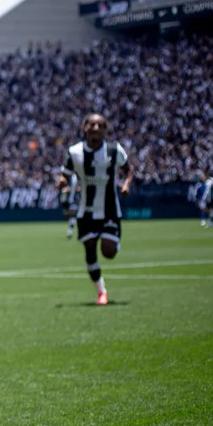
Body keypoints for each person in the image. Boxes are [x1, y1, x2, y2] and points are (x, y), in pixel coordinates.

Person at [56, 113, 134, 306]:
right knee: (90, 249)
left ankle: (113, 242)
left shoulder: (115, 150)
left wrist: (126, 184)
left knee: (108, 251)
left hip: (109, 209)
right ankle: (101, 292)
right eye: (92, 125)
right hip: (86, 211)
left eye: (100, 126)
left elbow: (128, 169)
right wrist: (62, 181)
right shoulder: (74, 152)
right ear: (84, 128)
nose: (96, 129)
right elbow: (64, 174)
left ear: (105, 129)